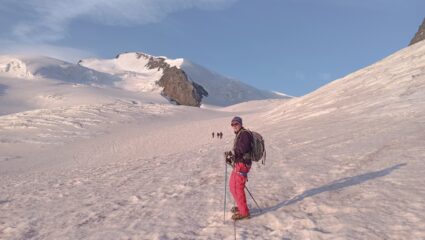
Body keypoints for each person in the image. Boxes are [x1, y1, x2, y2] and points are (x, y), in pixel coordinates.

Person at [225, 116, 253, 220]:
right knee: (232, 186)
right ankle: (241, 207)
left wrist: (232, 155)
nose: (234, 126)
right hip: (238, 164)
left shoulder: (244, 134)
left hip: (243, 165)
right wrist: (231, 157)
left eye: (236, 124)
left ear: (240, 124)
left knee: (238, 188)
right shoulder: (239, 135)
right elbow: (239, 151)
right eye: (232, 124)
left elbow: (242, 149)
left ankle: (244, 212)